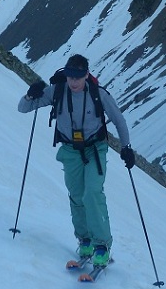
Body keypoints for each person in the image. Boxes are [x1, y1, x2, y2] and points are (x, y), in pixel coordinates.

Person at [18, 54, 135, 267]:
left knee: (92, 192)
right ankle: (85, 240)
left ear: (86, 75)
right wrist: (29, 95)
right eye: (70, 76)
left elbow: (118, 119)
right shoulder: (58, 91)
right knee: (77, 196)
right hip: (70, 151)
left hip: (95, 149)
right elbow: (23, 108)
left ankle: (102, 245)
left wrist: (126, 147)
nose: (73, 82)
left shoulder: (98, 94)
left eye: (78, 77)